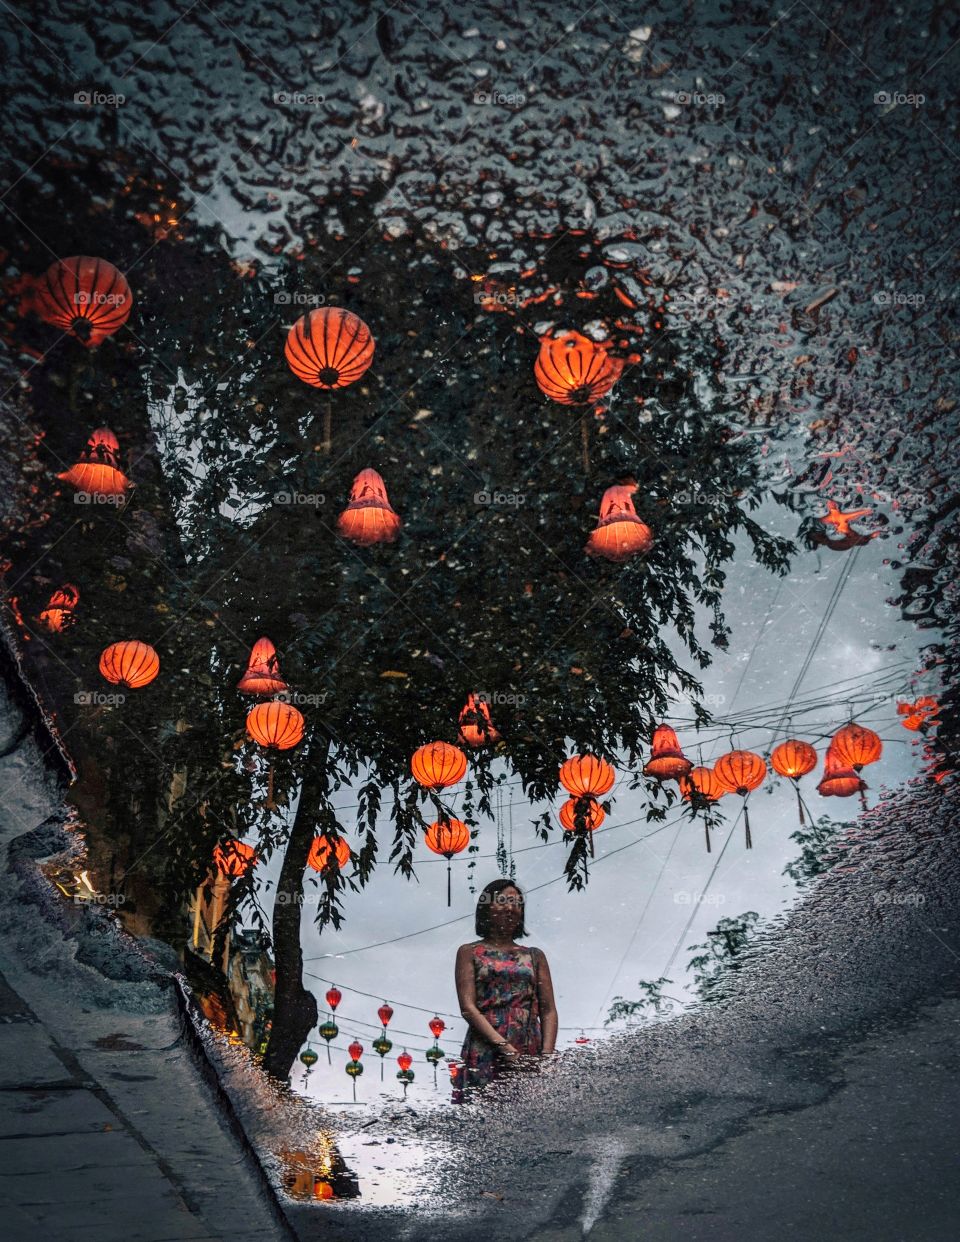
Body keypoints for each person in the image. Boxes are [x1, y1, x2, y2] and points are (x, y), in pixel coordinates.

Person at [452, 878, 557, 1102]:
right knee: (483, 1113)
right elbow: (468, 1008)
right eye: (503, 901)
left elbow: (548, 1011)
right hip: (486, 1045)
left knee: (530, 1115)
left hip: (529, 1046)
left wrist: (547, 1056)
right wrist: (504, 1048)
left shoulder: (534, 956)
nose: (511, 908)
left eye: (517, 903)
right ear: (486, 908)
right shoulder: (469, 952)